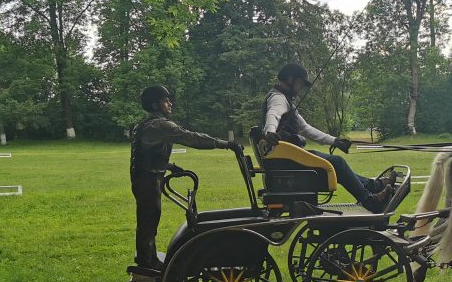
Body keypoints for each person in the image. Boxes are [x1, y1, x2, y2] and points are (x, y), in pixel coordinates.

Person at [131, 85, 241, 268]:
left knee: (148, 219)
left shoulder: (143, 125)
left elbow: (147, 156)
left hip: (144, 179)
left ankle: (147, 258)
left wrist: (170, 167)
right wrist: (225, 144)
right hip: (148, 181)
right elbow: (192, 138)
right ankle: (147, 262)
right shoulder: (161, 125)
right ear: (155, 105)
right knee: (149, 219)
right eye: (166, 101)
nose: (170, 103)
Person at [261, 63, 395, 211]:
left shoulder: (286, 101)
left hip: (290, 159)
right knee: (337, 162)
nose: (301, 88)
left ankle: (374, 186)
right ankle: (370, 201)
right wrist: (269, 132)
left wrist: (335, 141)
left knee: (337, 164)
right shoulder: (278, 98)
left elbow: (306, 129)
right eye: (300, 83)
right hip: (288, 162)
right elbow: (273, 114)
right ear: (290, 79)